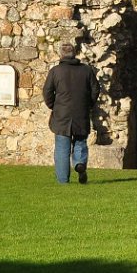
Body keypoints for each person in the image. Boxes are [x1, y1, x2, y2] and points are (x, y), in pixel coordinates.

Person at [42, 41, 98, 184]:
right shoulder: (87, 70)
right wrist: (88, 105)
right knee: (80, 141)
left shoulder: (55, 71)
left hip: (61, 114)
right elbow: (95, 90)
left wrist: (53, 106)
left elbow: (47, 91)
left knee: (62, 147)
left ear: (61, 54)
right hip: (81, 113)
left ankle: (63, 181)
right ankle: (79, 162)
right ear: (75, 54)